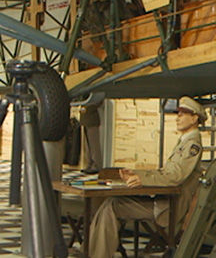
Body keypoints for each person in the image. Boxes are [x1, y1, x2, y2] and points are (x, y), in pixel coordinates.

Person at [88, 96, 206, 258]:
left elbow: (174, 176)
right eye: (178, 113)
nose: (177, 118)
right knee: (110, 203)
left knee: (112, 205)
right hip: (164, 201)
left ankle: (97, 255)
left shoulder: (193, 145)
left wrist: (143, 180)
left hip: (169, 207)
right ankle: (93, 253)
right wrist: (136, 174)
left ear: (194, 118)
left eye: (183, 114)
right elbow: (166, 173)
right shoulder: (185, 142)